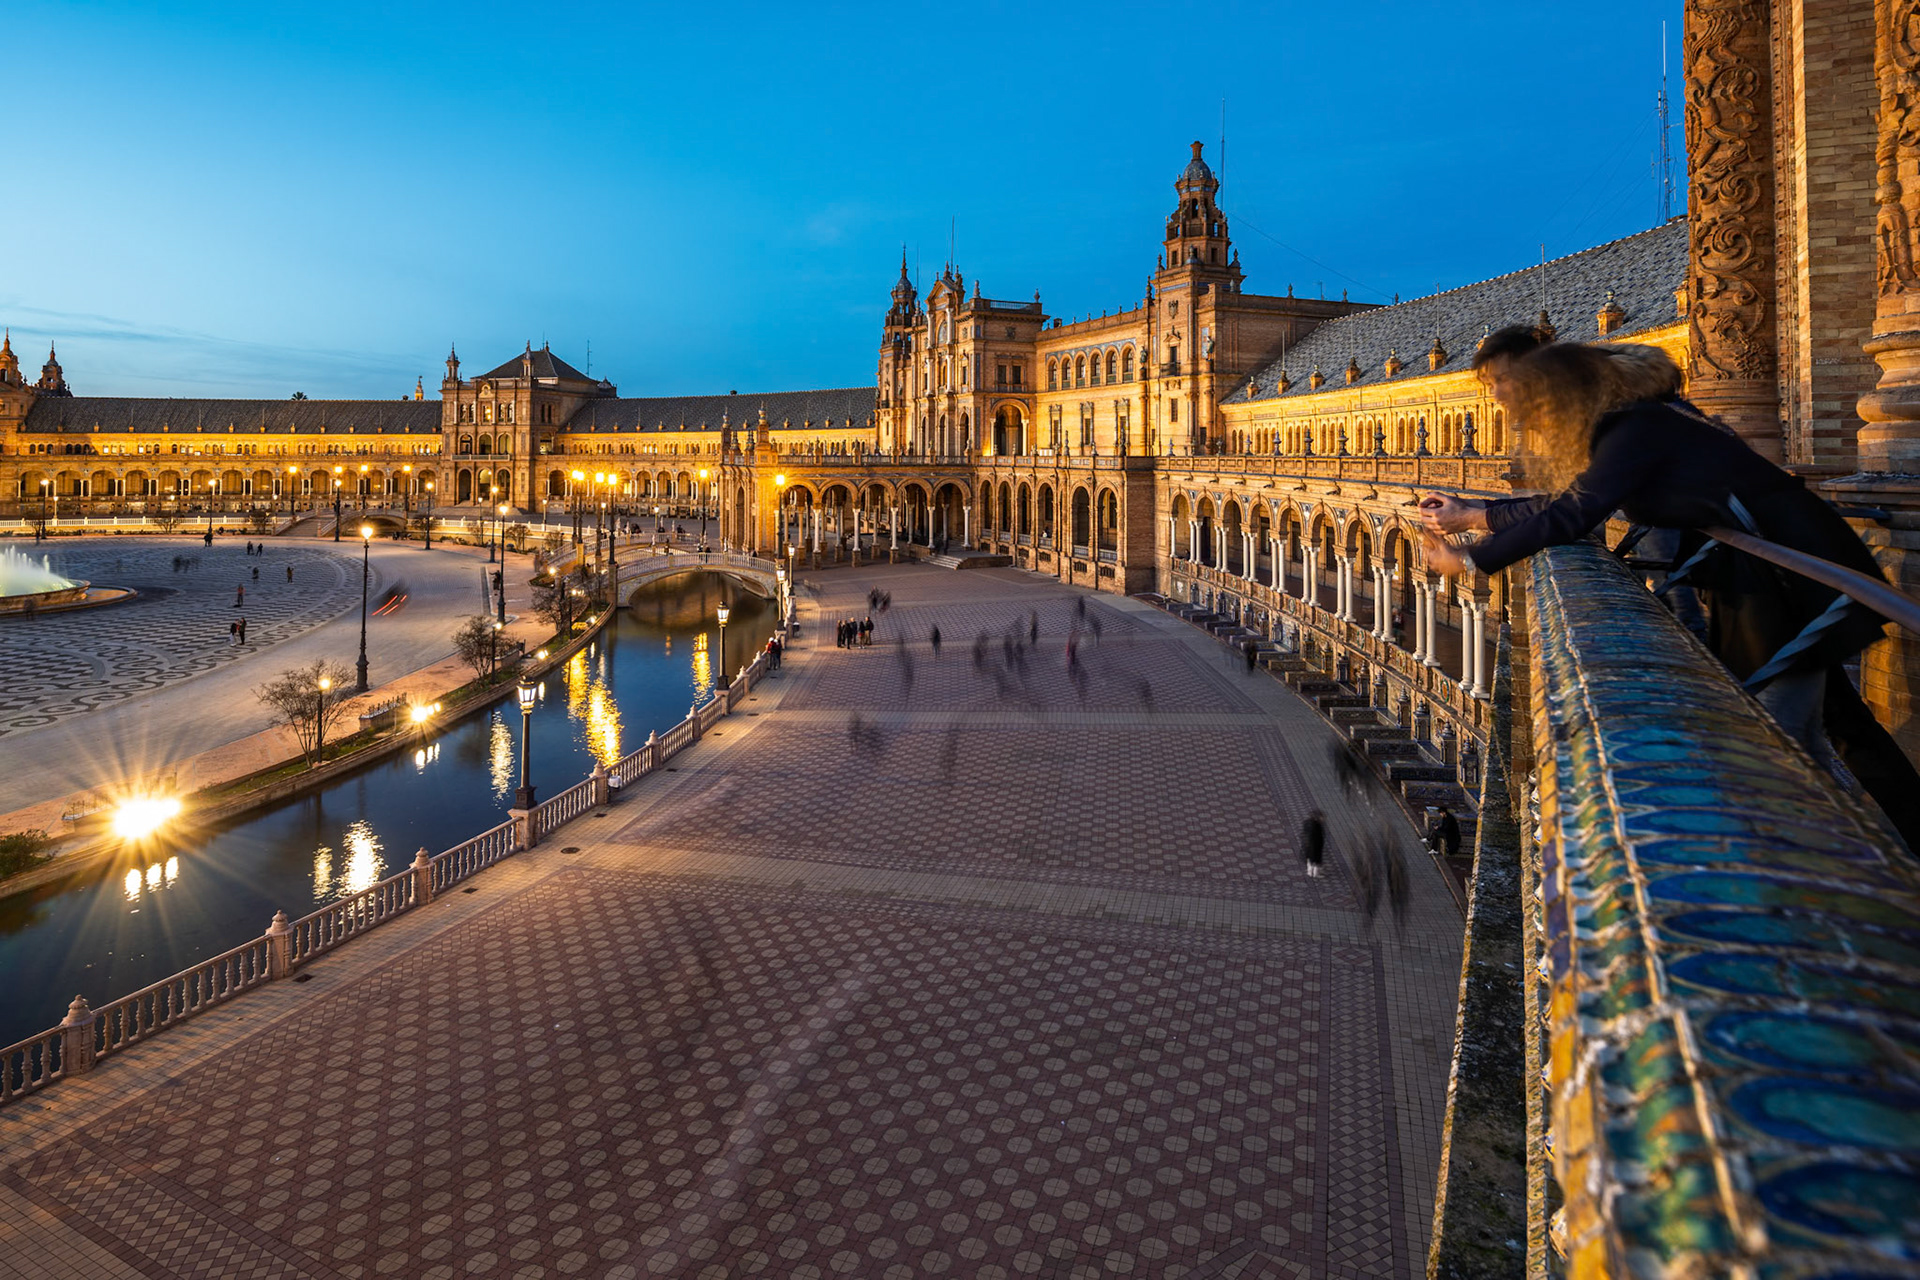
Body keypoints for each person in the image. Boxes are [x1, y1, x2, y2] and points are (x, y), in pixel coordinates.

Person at [1418, 325, 1920, 848]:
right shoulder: (1635, 421)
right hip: (1768, 567)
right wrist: (1475, 514)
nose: (1504, 402)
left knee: (1781, 729)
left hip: (1789, 572)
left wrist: (1471, 559)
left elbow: (1574, 513)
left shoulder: (1632, 427)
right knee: (1839, 722)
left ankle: (1811, 861)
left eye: (1513, 389)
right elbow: (1573, 500)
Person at [1301, 810, 1326, 878]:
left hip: (1308, 845)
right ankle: (1315, 873)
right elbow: (1317, 837)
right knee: (1315, 860)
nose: (1323, 819)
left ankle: (1310, 872)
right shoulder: (1316, 826)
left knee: (1309, 859)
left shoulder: (1307, 823)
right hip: (1314, 845)